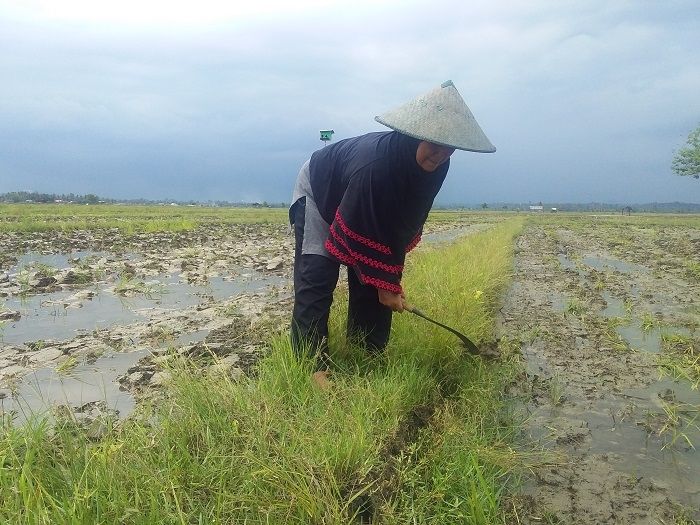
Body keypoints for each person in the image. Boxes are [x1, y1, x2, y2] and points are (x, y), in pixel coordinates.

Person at [289, 80, 495, 388]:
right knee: (318, 275)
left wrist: (389, 283)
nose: (439, 154)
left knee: (373, 282)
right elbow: (358, 222)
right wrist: (383, 283)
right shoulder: (376, 165)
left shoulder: (438, 166)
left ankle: (367, 352)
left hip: (357, 201)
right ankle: (312, 367)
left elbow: (402, 225)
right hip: (320, 193)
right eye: (434, 144)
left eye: (448, 147)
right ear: (415, 136)